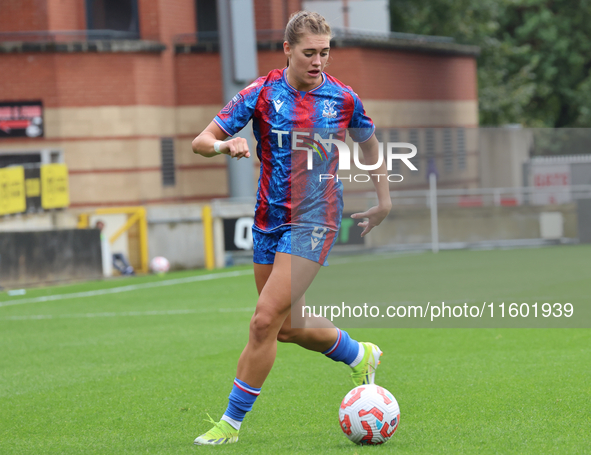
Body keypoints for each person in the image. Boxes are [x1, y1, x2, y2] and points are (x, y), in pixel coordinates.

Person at [191, 10, 392, 445]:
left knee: (263, 321)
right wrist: (226, 145)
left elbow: (370, 144)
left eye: (324, 52)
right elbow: (201, 141)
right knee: (285, 326)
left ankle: (230, 424)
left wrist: (383, 199)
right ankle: (359, 354)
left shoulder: (343, 98)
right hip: (268, 221)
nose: (318, 61)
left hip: (316, 219)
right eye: (309, 53)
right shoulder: (261, 93)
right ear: (287, 50)